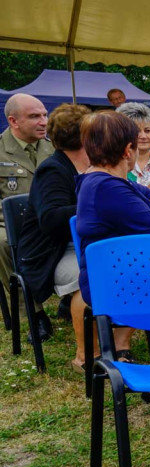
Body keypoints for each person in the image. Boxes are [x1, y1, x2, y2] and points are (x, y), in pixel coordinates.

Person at [75, 111, 150, 422]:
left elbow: (139, 190)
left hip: (125, 279)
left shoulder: (100, 181)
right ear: (128, 151)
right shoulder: (109, 189)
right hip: (129, 289)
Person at [17, 103, 91, 368]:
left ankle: (118, 344)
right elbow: (51, 219)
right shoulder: (53, 170)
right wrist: (95, 203)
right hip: (51, 252)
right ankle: (85, 355)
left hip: (81, 245)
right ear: (85, 136)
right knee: (93, 276)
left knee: (122, 265)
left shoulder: (92, 163)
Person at [0, 93, 54, 338]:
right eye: (34, 116)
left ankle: (74, 297)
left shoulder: (55, 147)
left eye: (44, 114)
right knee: (2, 243)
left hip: (50, 218)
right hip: (11, 223)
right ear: (14, 121)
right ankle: (33, 313)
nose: (43, 121)